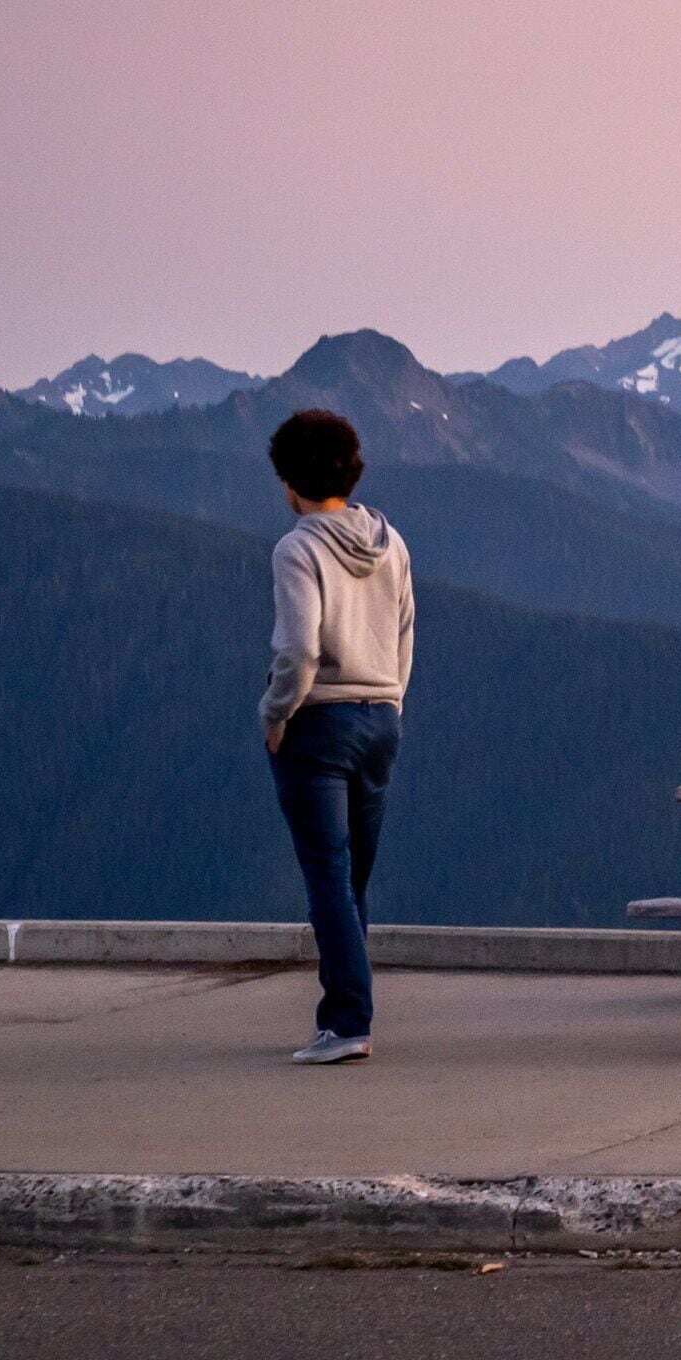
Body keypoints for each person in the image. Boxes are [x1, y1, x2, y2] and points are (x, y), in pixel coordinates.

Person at [260, 408, 413, 1065]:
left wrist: (276, 713)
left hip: (318, 723)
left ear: (291, 480)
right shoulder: (391, 542)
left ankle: (348, 1022)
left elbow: (299, 646)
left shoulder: (298, 547)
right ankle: (345, 1015)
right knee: (354, 880)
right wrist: (392, 701)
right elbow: (405, 629)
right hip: (381, 719)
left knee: (328, 877)